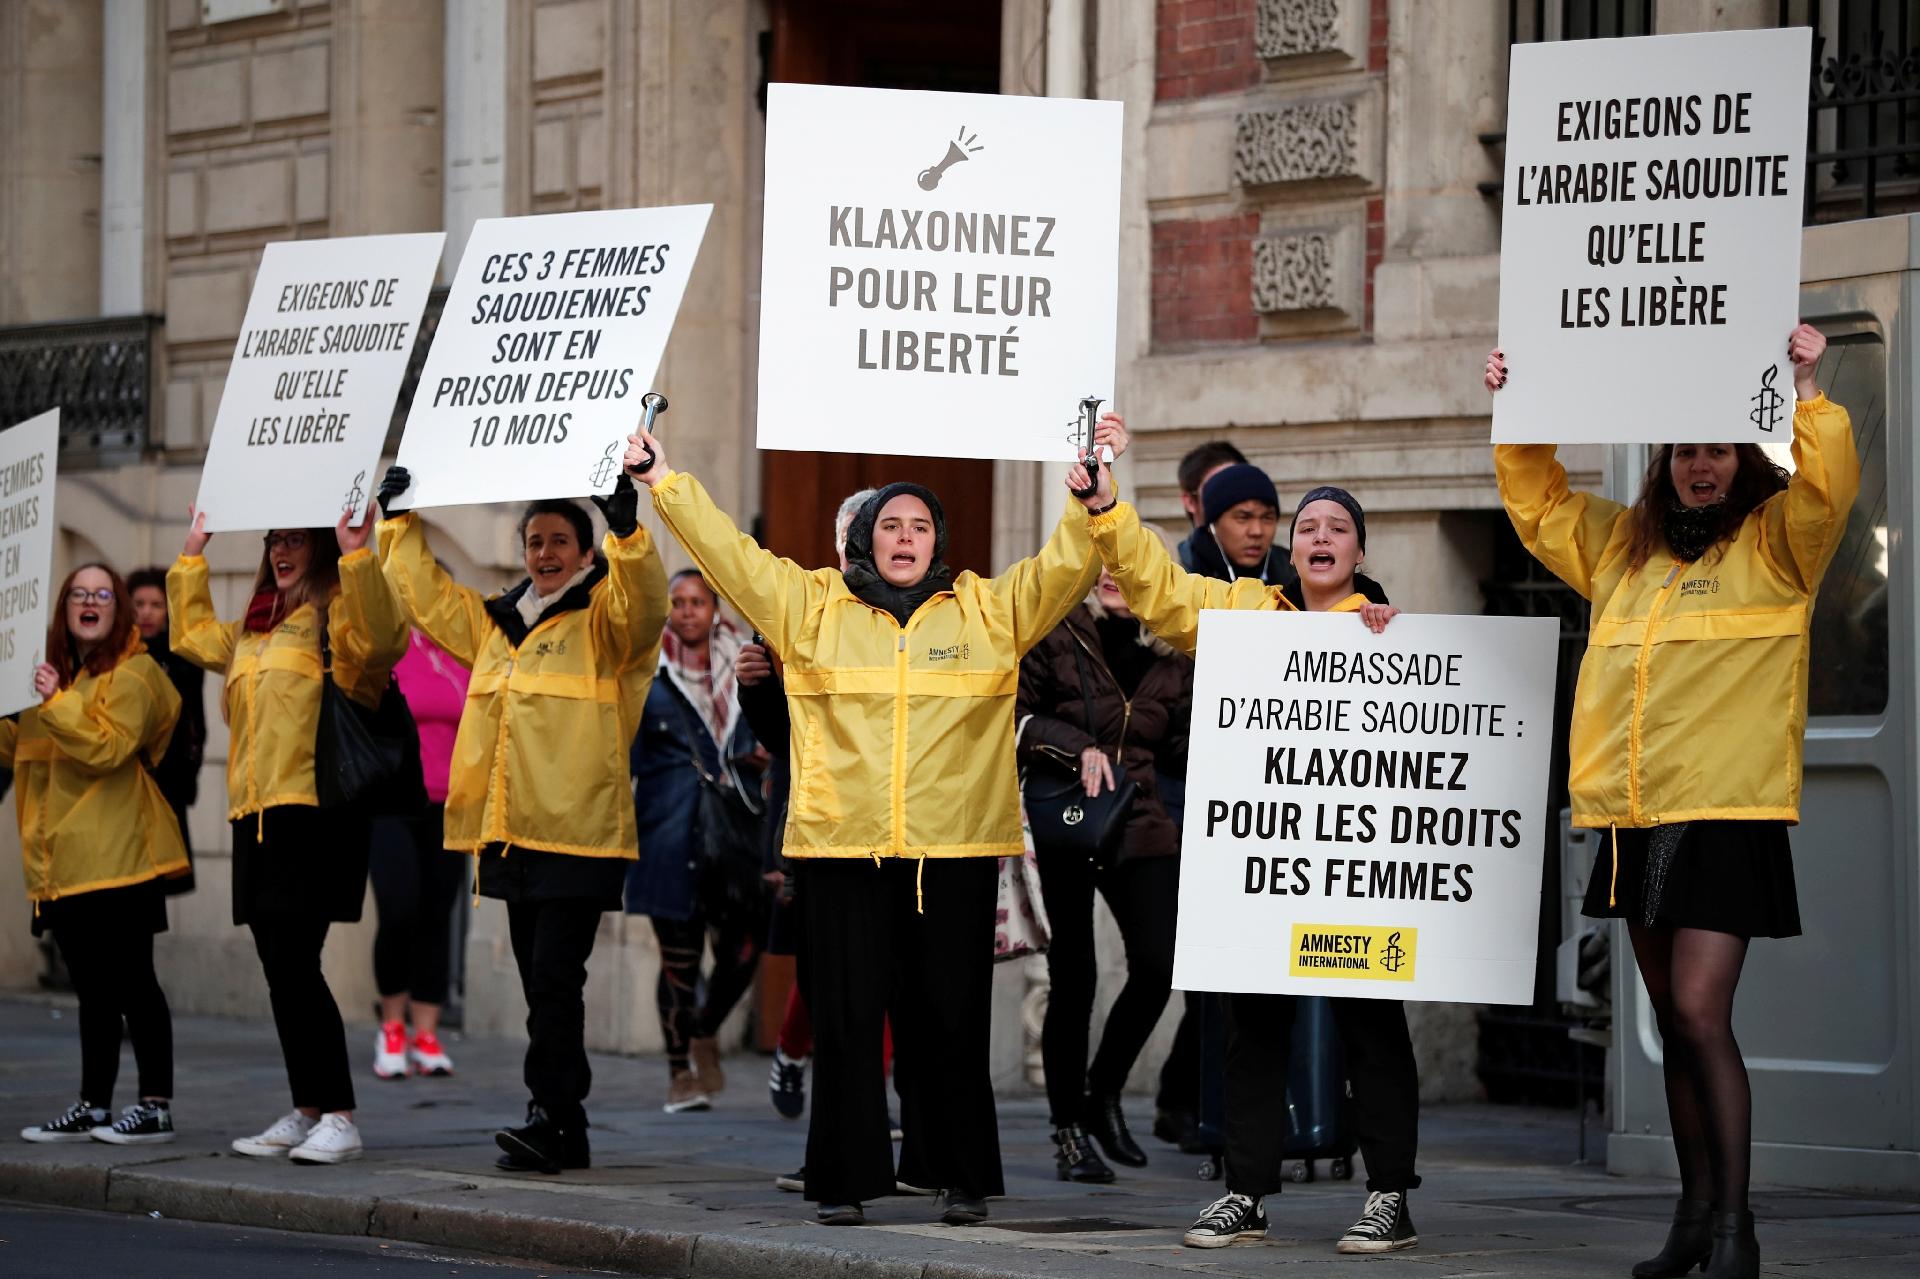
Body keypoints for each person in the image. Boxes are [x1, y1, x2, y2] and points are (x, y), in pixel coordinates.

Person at [624, 413, 1114, 1228]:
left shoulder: (987, 612)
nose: (906, 536)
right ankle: (845, 1179)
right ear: (865, 540)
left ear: (938, 542)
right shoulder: (809, 606)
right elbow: (731, 557)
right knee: (847, 1021)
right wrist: (663, 482)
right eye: (891, 523)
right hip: (842, 849)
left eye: (921, 525)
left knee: (951, 1019)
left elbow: (1065, 568)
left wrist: (1093, 500)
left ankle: (956, 1175)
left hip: (951, 853)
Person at [1487, 323, 1855, 1279]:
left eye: (1718, 449)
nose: (1700, 466)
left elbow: (1830, 488)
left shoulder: (1781, 542)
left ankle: (1735, 1226)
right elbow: (1538, 505)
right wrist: (1521, 409)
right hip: (1631, 811)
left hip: (1725, 809)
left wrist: (1809, 390)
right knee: (1669, 1027)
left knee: (1698, 1014)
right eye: (1686, 449)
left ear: (1745, 458)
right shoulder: (1621, 546)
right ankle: (1693, 1219)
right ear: (1667, 460)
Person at [1070, 461, 1423, 1255]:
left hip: (1357, 874)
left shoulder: (1396, 634)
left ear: (1359, 551)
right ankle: (1246, 1190)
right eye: (1309, 530)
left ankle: (1389, 1194)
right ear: (1293, 555)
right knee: (1252, 1024)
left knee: (1371, 1025)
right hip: (1267, 867)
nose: (1320, 538)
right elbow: (1160, 588)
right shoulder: (1242, 608)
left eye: (1337, 529)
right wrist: (1107, 510)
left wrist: (1401, 640)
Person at [374, 465, 667, 1175]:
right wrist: (398, 519)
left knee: (554, 979)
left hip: (579, 833)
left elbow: (648, 607)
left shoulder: (606, 618)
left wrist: (630, 531)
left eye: (561, 540)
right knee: (546, 988)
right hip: (512, 833)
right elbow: (426, 597)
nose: (546, 552)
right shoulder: (499, 622)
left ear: (585, 553)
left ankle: (552, 1115)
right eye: (535, 540)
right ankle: (564, 1123)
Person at [170, 509, 406, 1165]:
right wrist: (194, 549)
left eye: (294, 537)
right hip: (256, 815)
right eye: (273, 537)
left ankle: (339, 1113)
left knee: (298, 965)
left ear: (320, 547)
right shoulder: (254, 627)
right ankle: (308, 1107)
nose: (281, 549)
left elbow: (384, 640)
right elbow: (189, 634)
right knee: (280, 969)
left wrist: (360, 553)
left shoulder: (334, 614)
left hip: (313, 812)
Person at [1017, 552, 1192, 1183]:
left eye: (1128, 566)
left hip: (1139, 817)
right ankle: (1068, 1129)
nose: (1115, 577)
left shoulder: (1175, 651)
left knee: (1159, 964)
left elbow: (1180, 744)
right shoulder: (1055, 627)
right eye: (1104, 567)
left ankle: (1102, 1092)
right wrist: (1079, 747)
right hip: (1064, 816)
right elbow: (1016, 715)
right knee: (1076, 977)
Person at [11, 564, 188, 1146]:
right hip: (66, 862)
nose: (90, 602)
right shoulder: (55, 680)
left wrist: (56, 700)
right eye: (79, 594)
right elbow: (20, 749)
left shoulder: (134, 673)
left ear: (119, 612)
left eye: (102, 595)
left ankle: (155, 1106)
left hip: (122, 856)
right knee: (91, 989)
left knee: (134, 982)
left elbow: (107, 747)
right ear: (65, 609)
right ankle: (94, 1103)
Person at [626, 568, 767, 1113]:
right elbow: (629, 754)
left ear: (713, 609)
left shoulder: (746, 664)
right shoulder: (646, 672)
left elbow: (773, 731)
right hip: (669, 830)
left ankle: (705, 1029)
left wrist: (757, 757)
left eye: (697, 602)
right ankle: (678, 1072)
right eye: (678, 602)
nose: (687, 611)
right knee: (679, 959)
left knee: (743, 949)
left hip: (737, 830)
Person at [369, 626, 470, 1079]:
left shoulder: (462, 650)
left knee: (437, 912)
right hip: (391, 802)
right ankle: (392, 1025)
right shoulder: (390, 646)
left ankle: (426, 1034)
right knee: (398, 909)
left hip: (448, 806)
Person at [125, 567, 206, 893]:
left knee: (156, 880)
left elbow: (196, 724)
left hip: (168, 778)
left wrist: (189, 776)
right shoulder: (116, 655)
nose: (146, 612)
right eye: (139, 604)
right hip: (125, 780)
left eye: (155, 604)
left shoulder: (183, 658)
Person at [1173, 441, 1248, 571]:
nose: (1234, 499)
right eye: (1217, 490)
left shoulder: (1286, 566)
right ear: (1190, 501)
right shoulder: (1171, 572)